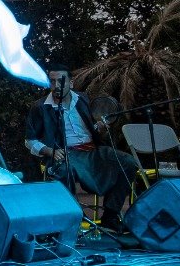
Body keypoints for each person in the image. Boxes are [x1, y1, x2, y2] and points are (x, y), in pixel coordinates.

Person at [23, 63, 138, 231]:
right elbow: (29, 140)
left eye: (61, 81)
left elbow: (95, 128)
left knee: (127, 162)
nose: (56, 86)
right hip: (66, 154)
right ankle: (74, 216)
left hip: (93, 151)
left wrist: (101, 128)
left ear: (71, 83)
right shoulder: (40, 107)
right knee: (62, 171)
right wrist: (50, 151)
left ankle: (111, 215)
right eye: (52, 81)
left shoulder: (84, 99)